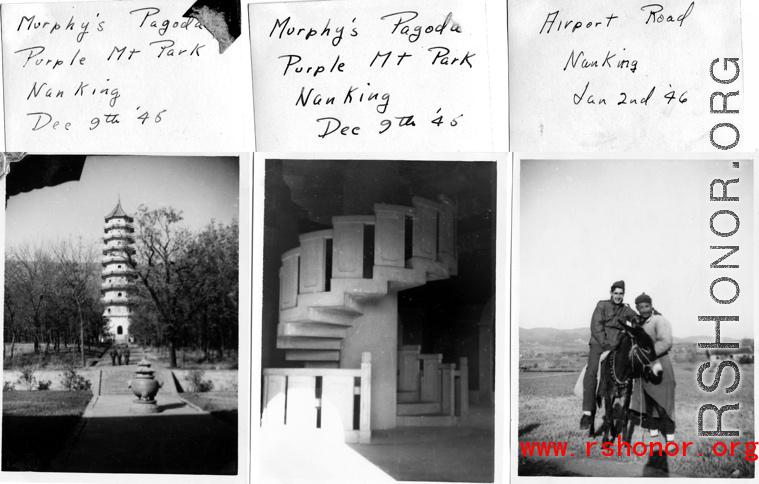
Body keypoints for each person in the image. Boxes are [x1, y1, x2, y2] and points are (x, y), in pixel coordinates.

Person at [581, 280, 640, 429]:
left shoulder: (625, 309)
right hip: (599, 344)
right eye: (616, 293)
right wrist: (606, 344)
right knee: (592, 372)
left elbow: (636, 318)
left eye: (621, 294)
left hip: (616, 345)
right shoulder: (602, 305)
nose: (618, 296)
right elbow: (596, 326)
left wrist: (634, 321)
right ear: (611, 293)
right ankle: (587, 413)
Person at [629, 292, 676, 442]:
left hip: (661, 365)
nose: (644, 310)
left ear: (651, 305)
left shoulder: (659, 320)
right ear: (637, 308)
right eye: (640, 307)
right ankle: (653, 437)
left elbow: (666, 342)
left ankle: (670, 439)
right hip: (645, 369)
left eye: (646, 306)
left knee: (663, 404)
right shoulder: (640, 324)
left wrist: (645, 354)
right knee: (648, 404)